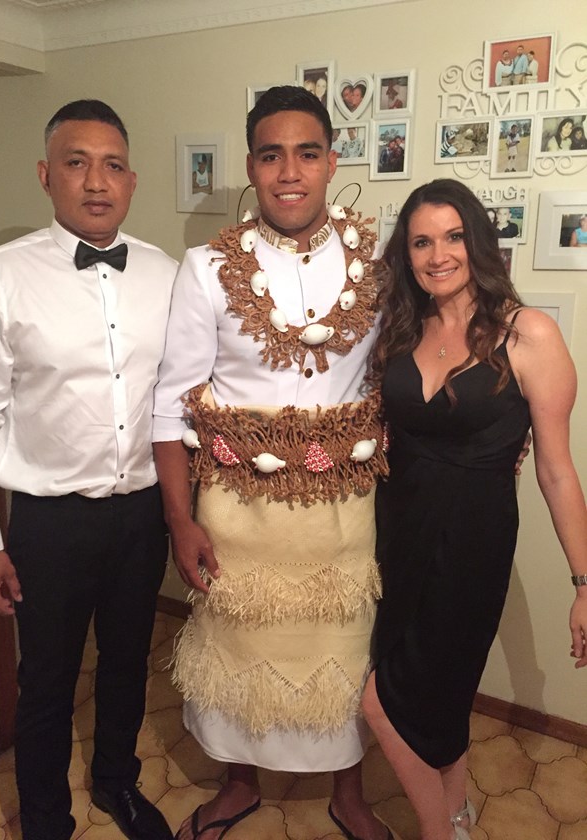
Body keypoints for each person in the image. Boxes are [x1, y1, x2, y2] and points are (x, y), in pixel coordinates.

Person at [152, 85, 393, 840]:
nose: (289, 171)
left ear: (331, 162)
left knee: (342, 651)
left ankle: (347, 791)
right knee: (239, 652)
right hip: (236, 511)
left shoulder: (377, 265)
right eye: (271, 154)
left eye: (307, 153)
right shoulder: (205, 268)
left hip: (342, 512)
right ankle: (238, 782)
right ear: (252, 168)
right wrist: (178, 519)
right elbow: (171, 400)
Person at [0, 100, 178, 840]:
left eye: (112, 165)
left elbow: (183, 397)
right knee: (47, 682)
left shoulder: (166, 275)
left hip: (142, 514)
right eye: (77, 163)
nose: (96, 181)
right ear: (47, 175)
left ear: (133, 181)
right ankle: (45, 818)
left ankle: (117, 781)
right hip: (48, 522)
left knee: (126, 664)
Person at [361, 178, 587, 840]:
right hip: (396, 531)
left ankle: (437, 834)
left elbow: (555, 469)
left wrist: (584, 583)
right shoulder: (404, 325)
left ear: (479, 242)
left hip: (471, 544)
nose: (438, 255)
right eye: (422, 241)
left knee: (382, 701)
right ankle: (456, 814)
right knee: (443, 694)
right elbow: (384, 431)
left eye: (453, 236)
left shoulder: (529, 334)